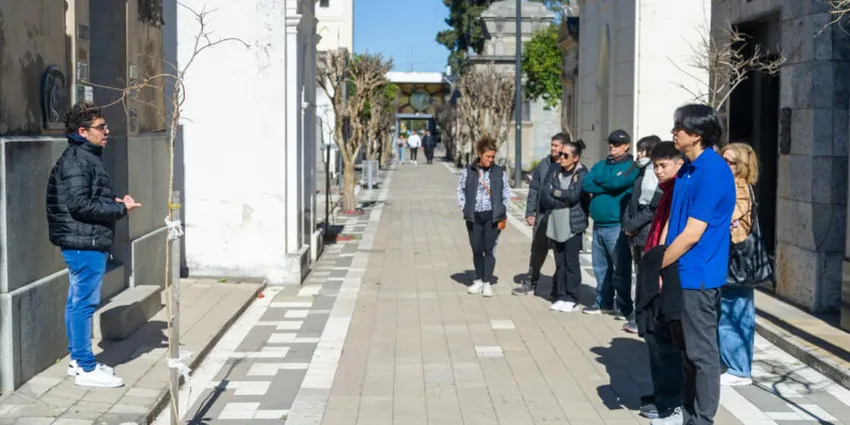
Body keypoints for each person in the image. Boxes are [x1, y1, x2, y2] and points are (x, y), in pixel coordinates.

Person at [46, 102, 142, 388]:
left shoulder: (85, 156)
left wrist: (111, 202)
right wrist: (120, 211)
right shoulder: (78, 160)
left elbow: (85, 197)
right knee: (83, 304)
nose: (107, 132)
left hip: (83, 238)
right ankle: (87, 369)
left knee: (77, 302)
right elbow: (79, 205)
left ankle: (78, 361)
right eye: (101, 127)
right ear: (82, 131)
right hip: (83, 240)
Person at [658, 104, 736, 425]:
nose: (674, 131)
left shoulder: (713, 171)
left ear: (698, 134)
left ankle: (703, 420)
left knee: (702, 356)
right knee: (686, 353)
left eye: (679, 127)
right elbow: (672, 223)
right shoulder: (688, 169)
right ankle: (688, 414)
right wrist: (661, 263)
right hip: (678, 271)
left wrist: (656, 265)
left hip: (699, 276)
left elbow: (692, 234)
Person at [633, 141, 685, 421]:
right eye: (655, 165)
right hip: (655, 267)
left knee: (666, 342)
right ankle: (661, 393)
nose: (658, 170)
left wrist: (661, 272)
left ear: (679, 163)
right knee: (654, 338)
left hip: (668, 273)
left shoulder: (680, 190)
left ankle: (670, 400)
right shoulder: (665, 192)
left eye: (664, 165)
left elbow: (672, 236)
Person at [582, 129, 639, 317]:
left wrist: (606, 183)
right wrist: (610, 182)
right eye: (610, 143)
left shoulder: (632, 166)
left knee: (620, 268)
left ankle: (624, 306)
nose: (612, 146)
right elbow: (586, 183)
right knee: (600, 267)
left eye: (616, 144)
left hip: (616, 225)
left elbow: (619, 183)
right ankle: (603, 302)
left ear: (626, 145)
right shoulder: (600, 165)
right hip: (598, 224)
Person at [718, 142, 760, 387]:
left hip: (735, 260)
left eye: (730, 162)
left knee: (734, 314)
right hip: (731, 259)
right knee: (727, 312)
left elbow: (735, 225)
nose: (725, 165)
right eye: (723, 159)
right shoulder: (731, 185)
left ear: (742, 166)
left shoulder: (739, 188)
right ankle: (732, 363)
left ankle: (739, 369)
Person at [457, 137, 511, 298]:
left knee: (489, 249)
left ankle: (487, 281)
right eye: (488, 156)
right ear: (480, 154)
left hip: (492, 217)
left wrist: (501, 209)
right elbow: (460, 190)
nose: (491, 160)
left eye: (493, 157)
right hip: (473, 217)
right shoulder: (469, 171)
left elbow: (506, 192)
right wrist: (465, 208)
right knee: (476, 249)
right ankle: (478, 279)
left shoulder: (499, 172)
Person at [514, 133, 567, 296]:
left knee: (560, 253)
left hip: (560, 216)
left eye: (556, 145)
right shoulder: (543, 164)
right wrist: (530, 212)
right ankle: (531, 281)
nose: (552, 148)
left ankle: (558, 286)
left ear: (564, 147)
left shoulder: (568, 165)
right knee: (537, 250)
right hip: (542, 216)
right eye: (552, 145)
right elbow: (534, 189)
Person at [540, 139, 590, 311]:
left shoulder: (581, 173)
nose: (561, 157)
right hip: (555, 223)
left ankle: (572, 297)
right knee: (559, 263)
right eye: (560, 154)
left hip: (572, 226)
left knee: (571, 263)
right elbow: (545, 195)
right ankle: (561, 295)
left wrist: (556, 193)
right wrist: (560, 197)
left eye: (565, 155)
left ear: (575, 158)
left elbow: (575, 195)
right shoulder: (554, 170)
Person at [620, 135, 662, 333]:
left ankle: (645, 320)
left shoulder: (654, 173)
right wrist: (628, 223)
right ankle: (639, 317)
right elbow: (633, 201)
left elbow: (652, 206)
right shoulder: (641, 171)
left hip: (646, 231)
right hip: (637, 231)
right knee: (639, 275)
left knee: (647, 278)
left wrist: (631, 225)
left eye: (642, 151)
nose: (638, 155)